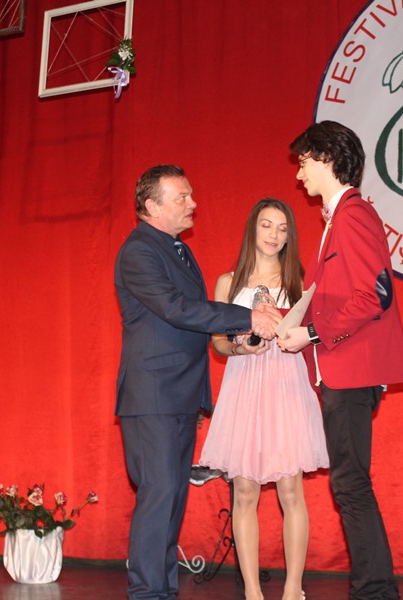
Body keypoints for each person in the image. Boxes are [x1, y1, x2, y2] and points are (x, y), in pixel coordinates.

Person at [114, 164, 282, 600]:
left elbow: (194, 316)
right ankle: (147, 593)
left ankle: (162, 591)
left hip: (179, 394)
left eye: (191, 195)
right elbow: (177, 308)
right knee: (160, 495)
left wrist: (238, 337)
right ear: (152, 206)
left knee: (171, 499)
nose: (193, 203)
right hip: (153, 395)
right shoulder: (139, 251)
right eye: (182, 197)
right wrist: (248, 318)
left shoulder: (177, 250)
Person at [278, 121, 403, 600]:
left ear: (328, 159)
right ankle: (375, 589)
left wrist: (311, 333)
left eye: (304, 163)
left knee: (350, 484)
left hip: (351, 369)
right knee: (350, 483)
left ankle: (375, 591)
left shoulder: (353, 215)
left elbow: (376, 293)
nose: (299, 175)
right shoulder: (340, 219)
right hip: (343, 369)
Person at [198, 198, 329, 600]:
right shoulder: (228, 282)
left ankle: (293, 589)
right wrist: (242, 348)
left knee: (291, 491)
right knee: (244, 492)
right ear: (252, 228)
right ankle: (252, 591)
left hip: (286, 386)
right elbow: (218, 344)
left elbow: (314, 334)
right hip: (244, 387)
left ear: (290, 236)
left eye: (283, 228)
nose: (274, 235)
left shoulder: (300, 281)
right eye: (267, 225)